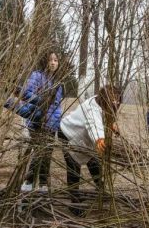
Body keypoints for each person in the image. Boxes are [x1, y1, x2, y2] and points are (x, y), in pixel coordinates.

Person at [59, 85, 121, 216]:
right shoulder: (92, 109)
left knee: (94, 163)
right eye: (112, 100)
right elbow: (94, 124)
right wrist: (99, 139)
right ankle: (74, 203)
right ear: (105, 99)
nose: (115, 102)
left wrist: (112, 124)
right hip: (68, 133)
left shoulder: (100, 102)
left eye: (117, 99)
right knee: (73, 168)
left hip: (81, 138)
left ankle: (101, 191)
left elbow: (105, 117)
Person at [17, 51, 64, 193]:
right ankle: (28, 183)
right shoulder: (37, 76)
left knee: (47, 155)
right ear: (45, 61)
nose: (53, 63)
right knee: (38, 153)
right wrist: (41, 102)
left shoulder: (59, 82)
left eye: (56, 60)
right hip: (38, 121)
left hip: (52, 124)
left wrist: (56, 120)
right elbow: (26, 95)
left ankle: (43, 184)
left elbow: (58, 105)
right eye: (50, 59)